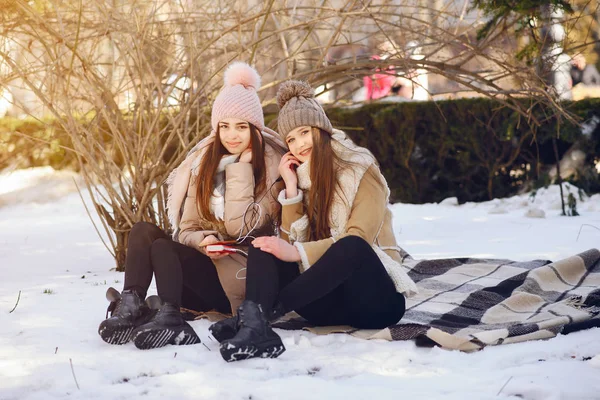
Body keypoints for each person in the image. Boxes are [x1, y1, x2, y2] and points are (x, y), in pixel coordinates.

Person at [210, 80, 418, 362]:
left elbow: (360, 240)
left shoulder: (361, 169)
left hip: (375, 302)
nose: (299, 144)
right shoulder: (304, 178)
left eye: (304, 132)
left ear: (321, 130)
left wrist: (297, 252)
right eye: (291, 140)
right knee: (264, 245)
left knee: (352, 246)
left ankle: (260, 317)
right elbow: (287, 243)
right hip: (325, 303)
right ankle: (255, 324)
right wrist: (293, 190)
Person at [98, 62, 286, 350]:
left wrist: (241, 171)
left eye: (241, 127)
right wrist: (204, 241)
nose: (231, 135)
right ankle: (133, 304)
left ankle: (172, 318)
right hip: (205, 269)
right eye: (224, 127)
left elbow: (239, 226)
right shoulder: (205, 163)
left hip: (237, 280)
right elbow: (186, 230)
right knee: (143, 232)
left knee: (162, 248)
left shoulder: (271, 168)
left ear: (255, 129)